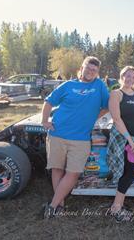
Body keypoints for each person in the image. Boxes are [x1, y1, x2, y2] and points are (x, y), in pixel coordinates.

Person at [41, 56, 109, 219]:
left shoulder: (99, 85)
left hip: (80, 138)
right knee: (57, 168)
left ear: (97, 73)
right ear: (82, 68)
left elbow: (106, 106)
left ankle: (52, 206)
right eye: (88, 68)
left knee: (73, 173)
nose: (91, 72)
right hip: (57, 134)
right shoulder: (68, 85)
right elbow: (49, 101)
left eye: (94, 70)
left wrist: (93, 117)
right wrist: (45, 121)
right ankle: (60, 205)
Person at [107, 66, 134, 222]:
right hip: (126, 141)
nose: (130, 79)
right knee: (130, 173)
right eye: (127, 76)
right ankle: (116, 209)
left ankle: (118, 205)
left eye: (133, 77)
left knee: (130, 171)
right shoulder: (116, 94)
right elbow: (117, 120)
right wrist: (131, 142)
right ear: (121, 76)